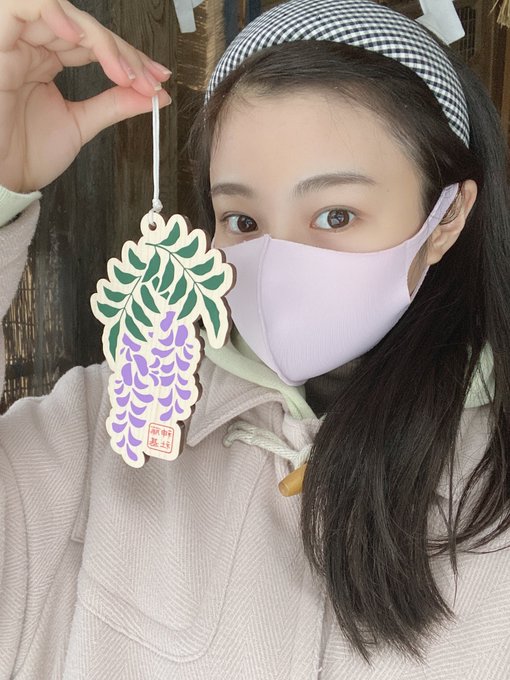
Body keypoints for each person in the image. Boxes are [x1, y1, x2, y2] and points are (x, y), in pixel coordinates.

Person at [0, 0, 509, 677]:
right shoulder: (99, 431)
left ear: (447, 217)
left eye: (336, 214)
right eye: (241, 220)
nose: (278, 262)